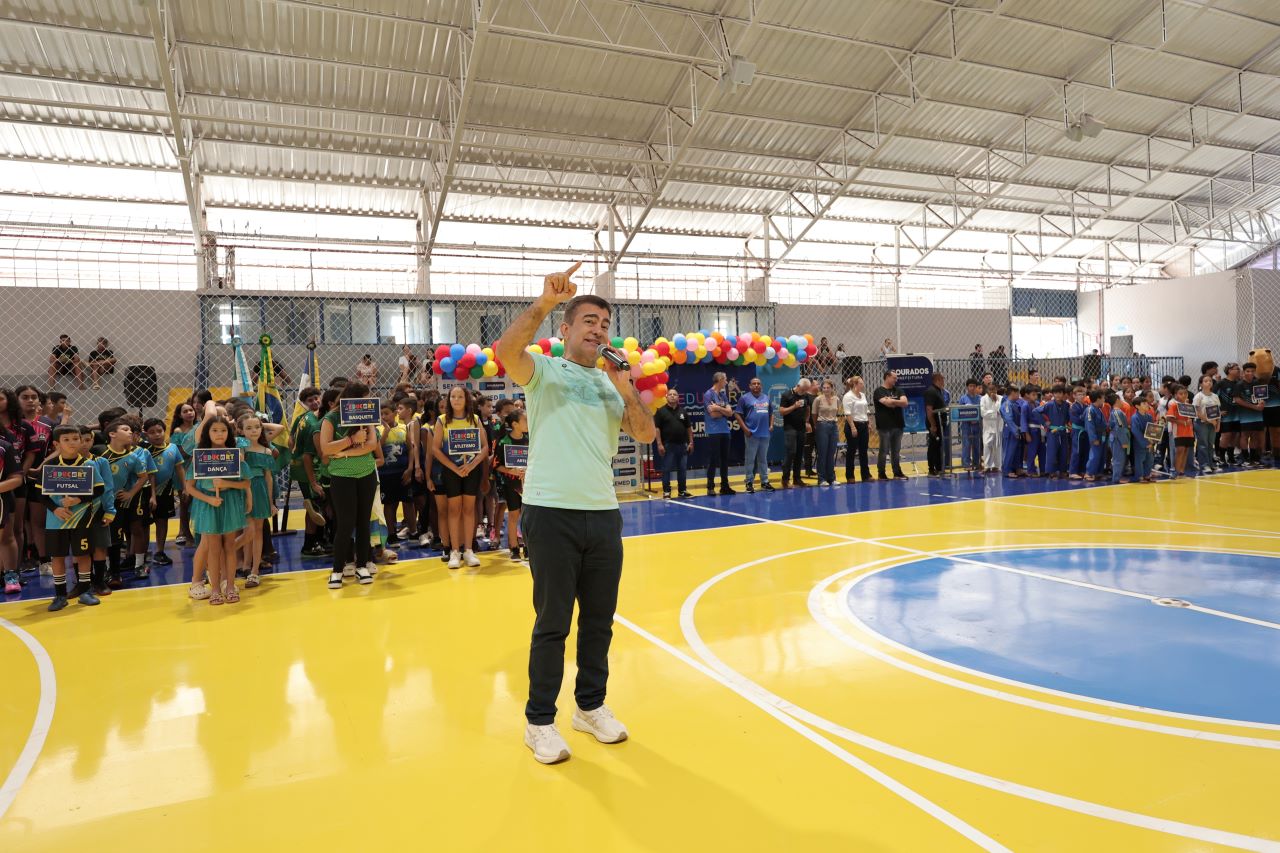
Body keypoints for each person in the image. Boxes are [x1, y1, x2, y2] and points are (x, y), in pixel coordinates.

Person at [495, 262, 657, 766]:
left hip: (602, 513)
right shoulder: (544, 371)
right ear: (565, 330)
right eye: (589, 321)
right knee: (553, 622)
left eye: (605, 324)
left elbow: (645, 433)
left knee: (599, 621)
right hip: (550, 511)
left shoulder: (611, 384)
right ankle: (539, 721)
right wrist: (545, 302)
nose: (598, 330)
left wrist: (624, 386)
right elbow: (506, 352)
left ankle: (589, 707)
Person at [35, 427, 107, 611]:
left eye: (75, 438)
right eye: (66, 439)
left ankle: (85, 591)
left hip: (82, 519)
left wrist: (78, 499)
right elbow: (40, 494)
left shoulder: (88, 465)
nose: (72, 442)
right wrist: (55, 509)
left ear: (81, 441)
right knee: (57, 556)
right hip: (56, 521)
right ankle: (60, 595)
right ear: (56, 444)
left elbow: (99, 489)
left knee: (83, 554)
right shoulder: (50, 467)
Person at [186, 411, 251, 605]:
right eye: (215, 430)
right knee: (213, 549)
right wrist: (208, 498)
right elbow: (189, 487)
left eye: (223, 430)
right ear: (208, 433)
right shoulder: (200, 456)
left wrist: (226, 483)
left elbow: (246, 483)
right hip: (208, 504)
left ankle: (230, 586)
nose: (219, 434)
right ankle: (214, 589)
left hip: (229, 502)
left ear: (229, 433)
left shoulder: (235, 455)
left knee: (229, 546)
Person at [320, 382, 381, 586]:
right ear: (351, 398)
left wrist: (344, 453)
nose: (367, 401)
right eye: (364, 398)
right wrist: (351, 440)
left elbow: (371, 445)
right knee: (345, 524)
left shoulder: (368, 415)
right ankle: (337, 569)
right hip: (341, 476)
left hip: (366, 473)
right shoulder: (331, 418)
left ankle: (362, 566)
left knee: (364, 522)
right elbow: (326, 449)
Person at [431, 385, 489, 570]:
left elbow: (485, 447)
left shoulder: (475, 419)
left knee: (469, 510)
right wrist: (455, 468)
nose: (456, 400)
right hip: (451, 471)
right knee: (454, 510)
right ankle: (454, 551)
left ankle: (468, 550)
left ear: (466, 400)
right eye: (453, 397)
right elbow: (435, 449)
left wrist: (471, 465)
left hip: (471, 470)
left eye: (460, 397)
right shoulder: (442, 420)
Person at [101, 418, 155, 587]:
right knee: (109, 537)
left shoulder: (133, 457)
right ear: (112, 434)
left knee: (135, 529)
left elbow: (144, 477)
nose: (130, 432)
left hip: (130, 499)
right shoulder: (101, 456)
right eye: (125, 429)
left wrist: (130, 493)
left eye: (131, 430)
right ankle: (108, 569)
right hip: (107, 503)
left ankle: (138, 565)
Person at [237, 413, 279, 587]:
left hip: (260, 490)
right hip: (244, 489)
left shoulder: (266, 451)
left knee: (258, 530)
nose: (254, 431)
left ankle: (254, 570)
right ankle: (246, 566)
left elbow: (268, 478)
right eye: (249, 428)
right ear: (241, 431)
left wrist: (270, 502)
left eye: (257, 427)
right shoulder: (240, 447)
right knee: (248, 529)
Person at [142, 418, 185, 567]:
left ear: (164, 431)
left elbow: (180, 469)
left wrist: (185, 487)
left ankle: (159, 551)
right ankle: (142, 552)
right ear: (146, 434)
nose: (156, 435)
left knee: (162, 521)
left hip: (166, 491)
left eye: (159, 431)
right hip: (146, 492)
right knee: (143, 524)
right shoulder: (144, 451)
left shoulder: (172, 448)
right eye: (152, 432)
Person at [494, 409, 529, 561]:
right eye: (525, 420)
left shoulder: (529, 440)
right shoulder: (504, 442)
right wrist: (511, 471)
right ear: (515, 424)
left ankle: (528, 546)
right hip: (511, 484)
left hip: (528, 484)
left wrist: (527, 470)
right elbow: (496, 465)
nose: (528, 423)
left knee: (527, 515)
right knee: (514, 514)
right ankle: (514, 547)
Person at [735, 377, 774, 493]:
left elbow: (772, 413)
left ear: (761, 385)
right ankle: (749, 482)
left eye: (758, 383)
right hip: (751, 434)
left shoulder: (766, 397)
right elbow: (737, 414)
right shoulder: (744, 398)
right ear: (750, 386)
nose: (756, 385)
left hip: (765, 434)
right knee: (750, 459)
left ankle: (764, 482)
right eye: (754, 383)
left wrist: (771, 425)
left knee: (763, 459)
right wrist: (745, 429)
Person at [654, 389, 693, 499]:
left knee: (682, 469)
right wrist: (659, 444)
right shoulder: (661, 411)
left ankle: (682, 490)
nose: (672, 396)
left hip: (682, 445)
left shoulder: (683, 411)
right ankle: (666, 491)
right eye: (670, 394)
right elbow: (657, 429)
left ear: (678, 397)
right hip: (668, 445)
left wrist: (691, 442)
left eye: (674, 394)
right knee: (666, 469)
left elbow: (689, 428)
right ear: (666, 397)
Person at [702, 372, 735, 496]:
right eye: (725, 379)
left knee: (724, 460)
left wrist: (719, 408)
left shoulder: (722, 395)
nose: (726, 382)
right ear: (720, 380)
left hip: (725, 431)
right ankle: (710, 487)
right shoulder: (708, 394)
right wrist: (723, 411)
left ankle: (724, 486)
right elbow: (713, 414)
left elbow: (730, 413)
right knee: (713, 459)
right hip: (713, 431)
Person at [872, 371, 908, 480]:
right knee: (884, 451)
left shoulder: (899, 390)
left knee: (896, 451)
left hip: (898, 424)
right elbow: (887, 403)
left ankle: (897, 472)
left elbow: (905, 403)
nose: (896, 380)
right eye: (894, 378)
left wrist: (891, 400)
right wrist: (897, 401)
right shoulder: (879, 391)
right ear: (887, 377)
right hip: (884, 426)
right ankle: (881, 473)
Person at [779, 378, 812, 487]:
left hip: (801, 428)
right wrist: (794, 406)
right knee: (791, 452)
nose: (804, 392)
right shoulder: (787, 395)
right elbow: (781, 411)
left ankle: (797, 479)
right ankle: (785, 479)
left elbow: (808, 408)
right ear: (798, 386)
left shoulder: (805, 395)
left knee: (799, 453)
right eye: (803, 389)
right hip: (790, 428)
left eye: (806, 390)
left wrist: (807, 421)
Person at [1233, 363, 1266, 467]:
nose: (1250, 373)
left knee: (1255, 435)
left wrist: (1262, 402)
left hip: (1257, 415)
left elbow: (1262, 396)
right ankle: (1245, 458)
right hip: (1245, 416)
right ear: (1243, 372)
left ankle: (1253, 458)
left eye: (1252, 371)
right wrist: (1254, 407)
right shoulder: (1239, 385)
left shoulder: (1257, 383)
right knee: (1245, 435)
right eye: (1248, 371)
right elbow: (1237, 400)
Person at [841, 376, 871, 483]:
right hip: (853, 425)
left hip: (863, 424)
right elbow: (848, 413)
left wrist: (868, 422)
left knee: (863, 450)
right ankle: (850, 475)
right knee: (851, 450)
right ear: (855, 384)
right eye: (861, 383)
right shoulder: (848, 396)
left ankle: (866, 475)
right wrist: (853, 427)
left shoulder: (862, 395)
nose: (863, 385)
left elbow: (866, 410)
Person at [812, 379, 840, 486]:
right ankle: (822, 479)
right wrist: (817, 425)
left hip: (834, 425)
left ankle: (831, 478)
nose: (826, 389)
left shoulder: (836, 399)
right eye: (824, 388)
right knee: (822, 453)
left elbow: (836, 412)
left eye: (828, 387)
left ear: (832, 388)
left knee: (831, 453)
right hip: (822, 425)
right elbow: (814, 414)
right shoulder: (818, 399)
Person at [1164, 385, 1195, 479]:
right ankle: (1175, 471)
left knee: (1185, 451)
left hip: (1189, 432)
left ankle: (1181, 472)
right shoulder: (1174, 405)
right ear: (1176, 395)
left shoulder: (1189, 406)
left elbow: (1192, 418)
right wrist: (1182, 422)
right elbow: (1169, 418)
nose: (1183, 395)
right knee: (1179, 451)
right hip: (1178, 432)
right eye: (1181, 394)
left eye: (1185, 393)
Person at [1193, 375, 1221, 474]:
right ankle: (1204, 465)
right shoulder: (1198, 396)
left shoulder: (1215, 396)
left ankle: (1211, 464)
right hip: (1201, 423)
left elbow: (1218, 411)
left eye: (1210, 381)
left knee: (1210, 444)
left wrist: (1218, 424)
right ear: (1201, 384)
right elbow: (1197, 412)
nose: (1208, 382)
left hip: (1213, 423)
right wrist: (1209, 420)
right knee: (1203, 444)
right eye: (1206, 381)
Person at [923, 372, 948, 477]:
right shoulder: (931, 391)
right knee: (933, 446)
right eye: (942, 379)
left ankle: (938, 468)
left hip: (940, 423)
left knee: (938, 446)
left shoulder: (939, 391)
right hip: (935, 423)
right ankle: (931, 469)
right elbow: (929, 409)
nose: (944, 381)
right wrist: (933, 425)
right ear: (938, 380)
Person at [956, 379, 982, 473]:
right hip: (966, 424)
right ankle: (966, 463)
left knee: (977, 444)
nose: (972, 388)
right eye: (970, 386)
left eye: (974, 386)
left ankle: (976, 463)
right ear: (967, 387)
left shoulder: (980, 398)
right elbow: (960, 412)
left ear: (976, 387)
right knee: (966, 444)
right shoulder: (963, 398)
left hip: (977, 424)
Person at [1000, 385, 1026, 478]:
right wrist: (1015, 431)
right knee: (1009, 451)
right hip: (1011, 431)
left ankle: (1018, 468)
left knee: (1018, 451)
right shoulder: (1007, 404)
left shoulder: (1015, 404)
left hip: (1018, 430)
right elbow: (1008, 419)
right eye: (1017, 393)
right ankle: (1007, 471)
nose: (1019, 395)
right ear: (1013, 393)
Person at [1107, 392, 1131, 484]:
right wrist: (1124, 441)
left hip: (1116, 437)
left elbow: (1112, 425)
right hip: (1118, 438)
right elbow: (1119, 427)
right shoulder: (1117, 412)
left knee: (1119, 458)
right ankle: (1116, 478)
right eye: (1120, 400)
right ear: (1117, 400)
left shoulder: (1115, 412)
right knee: (1118, 459)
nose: (1122, 402)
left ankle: (1118, 476)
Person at [1084, 390, 1107, 481]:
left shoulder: (1098, 409)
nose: (1104, 400)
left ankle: (1098, 473)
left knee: (1101, 455)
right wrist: (1093, 439)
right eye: (1103, 398)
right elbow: (1090, 425)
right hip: (1095, 436)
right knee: (1095, 455)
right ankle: (1089, 473)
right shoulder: (1090, 410)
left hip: (1102, 435)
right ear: (1098, 399)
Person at [980, 382, 1002, 473]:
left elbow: (1000, 411)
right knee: (986, 445)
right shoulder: (983, 399)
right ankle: (987, 466)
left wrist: (996, 402)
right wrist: (994, 413)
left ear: (997, 390)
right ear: (987, 390)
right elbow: (983, 413)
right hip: (988, 427)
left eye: (994, 389)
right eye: (990, 389)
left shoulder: (1000, 398)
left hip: (998, 426)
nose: (992, 391)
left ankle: (997, 466)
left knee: (997, 446)